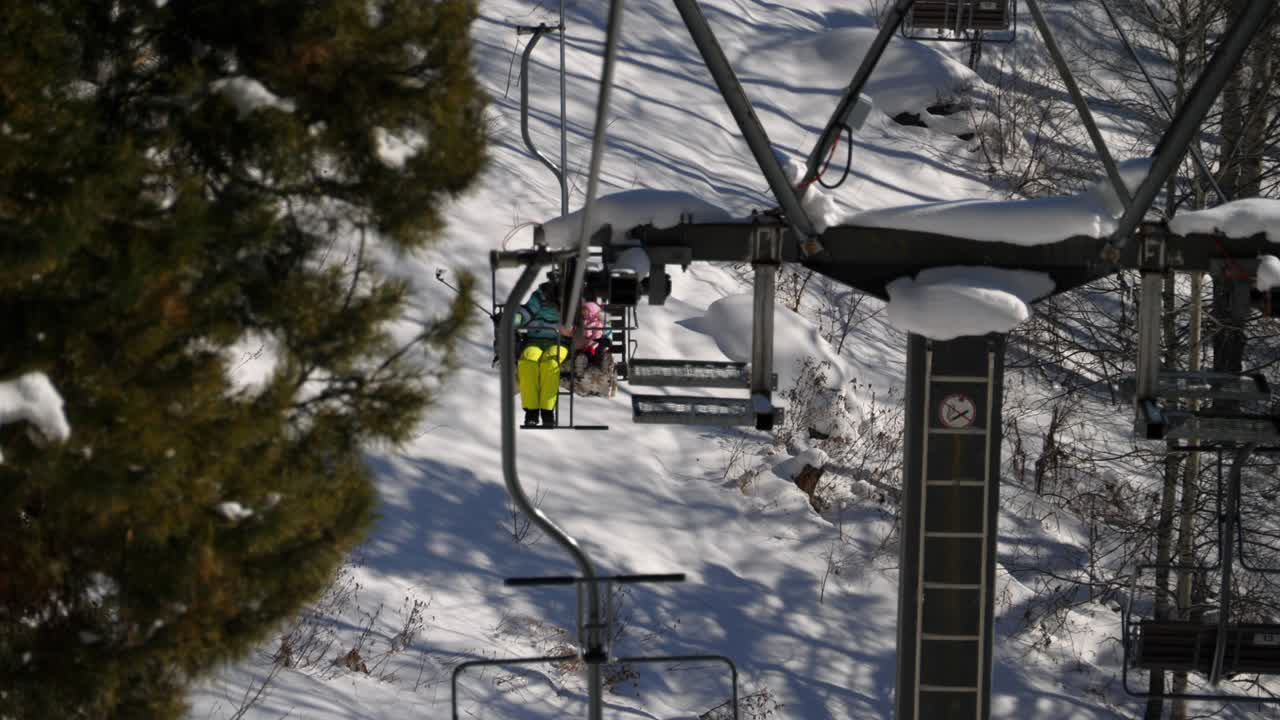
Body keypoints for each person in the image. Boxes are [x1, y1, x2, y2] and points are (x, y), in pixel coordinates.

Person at [507, 274, 571, 428]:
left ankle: (548, 411)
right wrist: (512, 319)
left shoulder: (574, 300)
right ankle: (531, 411)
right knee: (527, 362)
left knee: (550, 364)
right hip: (534, 340)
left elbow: (588, 318)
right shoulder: (541, 296)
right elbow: (525, 313)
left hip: (558, 342)